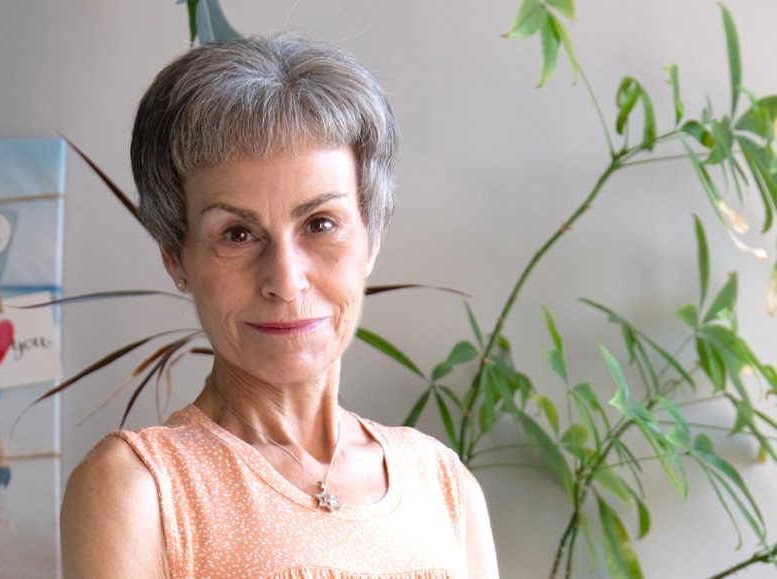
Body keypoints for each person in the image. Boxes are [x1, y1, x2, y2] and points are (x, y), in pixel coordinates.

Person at [61, 33, 499, 578]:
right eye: (238, 234)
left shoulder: (443, 482)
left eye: (320, 224)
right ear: (177, 257)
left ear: (373, 236)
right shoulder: (139, 487)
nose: (286, 281)